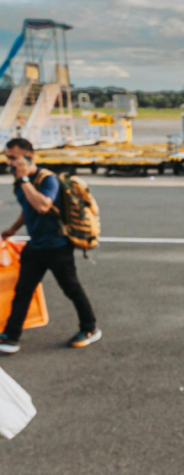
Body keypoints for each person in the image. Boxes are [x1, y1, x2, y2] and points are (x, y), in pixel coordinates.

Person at [0, 138, 100, 354]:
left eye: (13, 158)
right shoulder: (21, 182)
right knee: (23, 290)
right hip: (36, 246)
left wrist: (24, 179)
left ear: (29, 157)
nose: (9, 162)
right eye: (7, 157)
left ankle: (90, 328)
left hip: (57, 246)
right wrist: (12, 230)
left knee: (71, 289)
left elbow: (43, 205)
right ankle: (11, 335)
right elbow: (27, 209)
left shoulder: (47, 179)